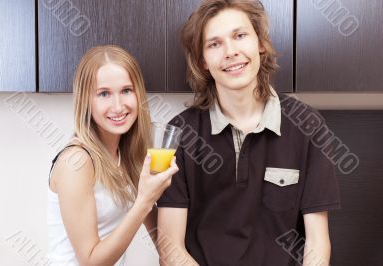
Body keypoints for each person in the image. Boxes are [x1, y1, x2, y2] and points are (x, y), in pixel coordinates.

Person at [157, 1, 340, 265]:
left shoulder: (308, 125)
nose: (230, 52)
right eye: (214, 44)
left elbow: (317, 242)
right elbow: (170, 248)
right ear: (202, 61)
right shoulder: (179, 135)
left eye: (240, 36)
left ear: (260, 44)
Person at [47, 45, 178, 265]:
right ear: (85, 101)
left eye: (126, 90)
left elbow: (161, 236)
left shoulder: (126, 155)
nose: (118, 106)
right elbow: (91, 262)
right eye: (104, 93)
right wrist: (145, 200)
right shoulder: (77, 162)